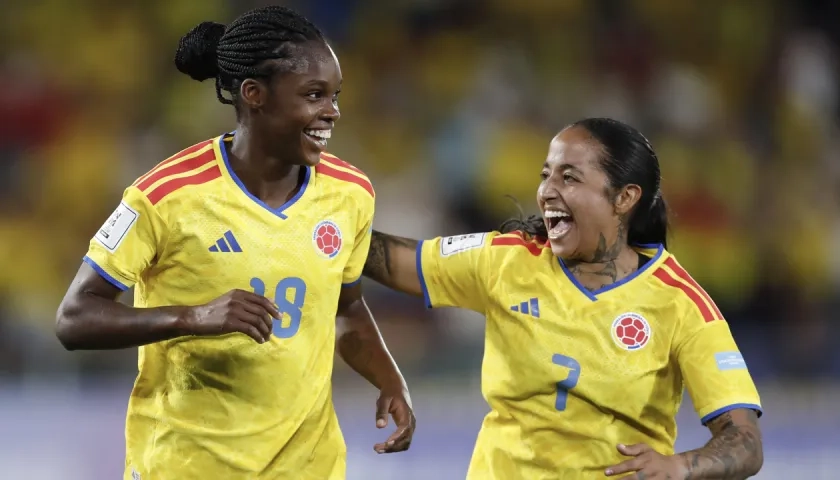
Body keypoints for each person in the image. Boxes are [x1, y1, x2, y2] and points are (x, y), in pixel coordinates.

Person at [55, 6, 415, 479]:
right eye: (314, 95)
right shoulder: (165, 195)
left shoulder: (351, 193)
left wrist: (390, 379)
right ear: (254, 95)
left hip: (308, 465)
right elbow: (74, 318)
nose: (332, 112)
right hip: (186, 465)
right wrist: (194, 317)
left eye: (334, 96)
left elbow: (345, 308)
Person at [363, 118, 764, 479]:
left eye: (569, 178)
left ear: (624, 198)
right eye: (545, 175)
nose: (547, 192)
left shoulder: (681, 304)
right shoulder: (506, 260)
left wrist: (682, 465)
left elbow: (744, 440)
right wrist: (322, 223)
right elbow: (393, 261)